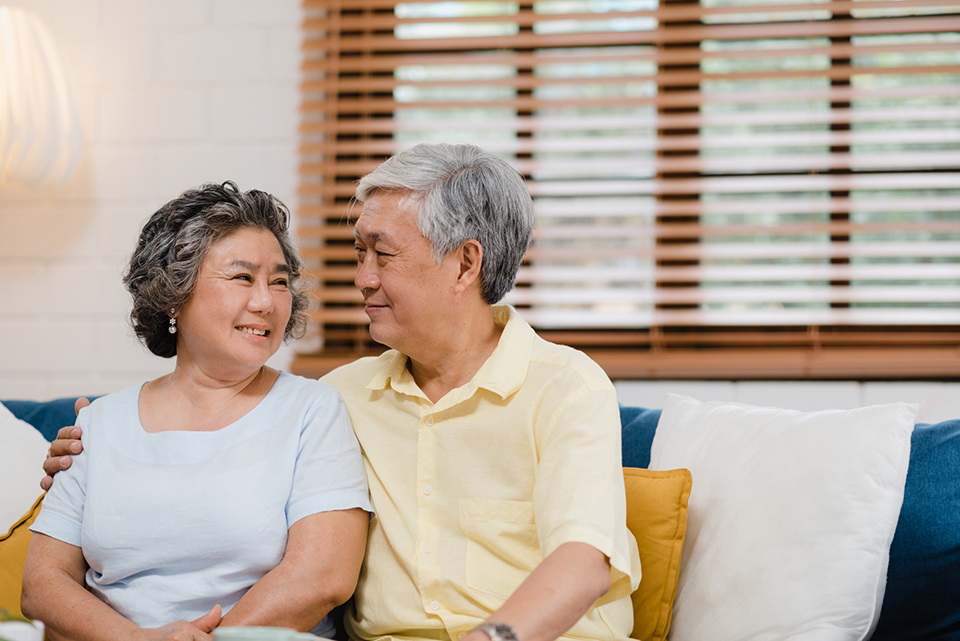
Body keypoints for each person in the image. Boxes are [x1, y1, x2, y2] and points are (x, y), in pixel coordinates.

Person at [43, 145, 641, 641]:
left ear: (465, 266)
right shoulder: (342, 396)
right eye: (359, 253)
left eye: (382, 254)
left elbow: (584, 562)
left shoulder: (564, 385)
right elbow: (218, 439)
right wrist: (83, 455)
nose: (362, 279)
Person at [26, 182, 372, 641]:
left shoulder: (312, 410)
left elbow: (323, 578)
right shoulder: (98, 423)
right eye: (242, 277)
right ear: (174, 293)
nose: (267, 301)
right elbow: (43, 584)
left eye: (280, 281)